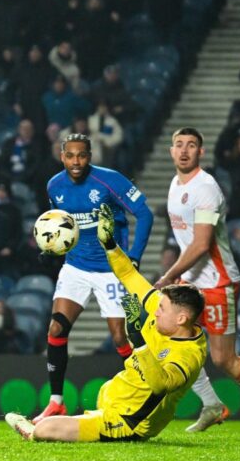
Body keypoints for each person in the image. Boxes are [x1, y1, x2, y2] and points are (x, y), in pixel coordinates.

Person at [6, 204, 207, 442]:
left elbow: (160, 385)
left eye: (161, 309)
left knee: (44, 430)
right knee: (102, 394)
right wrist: (110, 245)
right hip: (118, 397)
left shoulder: (189, 355)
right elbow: (130, 276)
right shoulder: (165, 311)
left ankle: (32, 431)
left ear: (182, 318)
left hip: (130, 421)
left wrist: (139, 341)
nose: (155, 311)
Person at [161, 128, 240, 432]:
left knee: (224, 359)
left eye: (191, 145)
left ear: (201, 152)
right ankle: (213, 405)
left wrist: (168, 274)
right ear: (171, 151)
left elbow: (202, 244)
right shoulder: (175, 184)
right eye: (179, 145)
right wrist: (178, 275)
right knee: (173, 342)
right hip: (190, 282)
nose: (184, 150)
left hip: (217, 282)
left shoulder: (206, 188)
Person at [36, 133, 154, 422]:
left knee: (120, 337)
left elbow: (145, 214)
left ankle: (142, 396)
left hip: (112, 269)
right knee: (56, 329)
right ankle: (56, 402)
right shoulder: (54, 185)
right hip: (75, 266)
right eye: (71, 156)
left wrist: (134, 256)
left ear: (90, 156)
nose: (76, 162)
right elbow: (63, 224)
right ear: (62, 156)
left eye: (82, 155)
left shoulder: (110, 180)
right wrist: (52, 246)